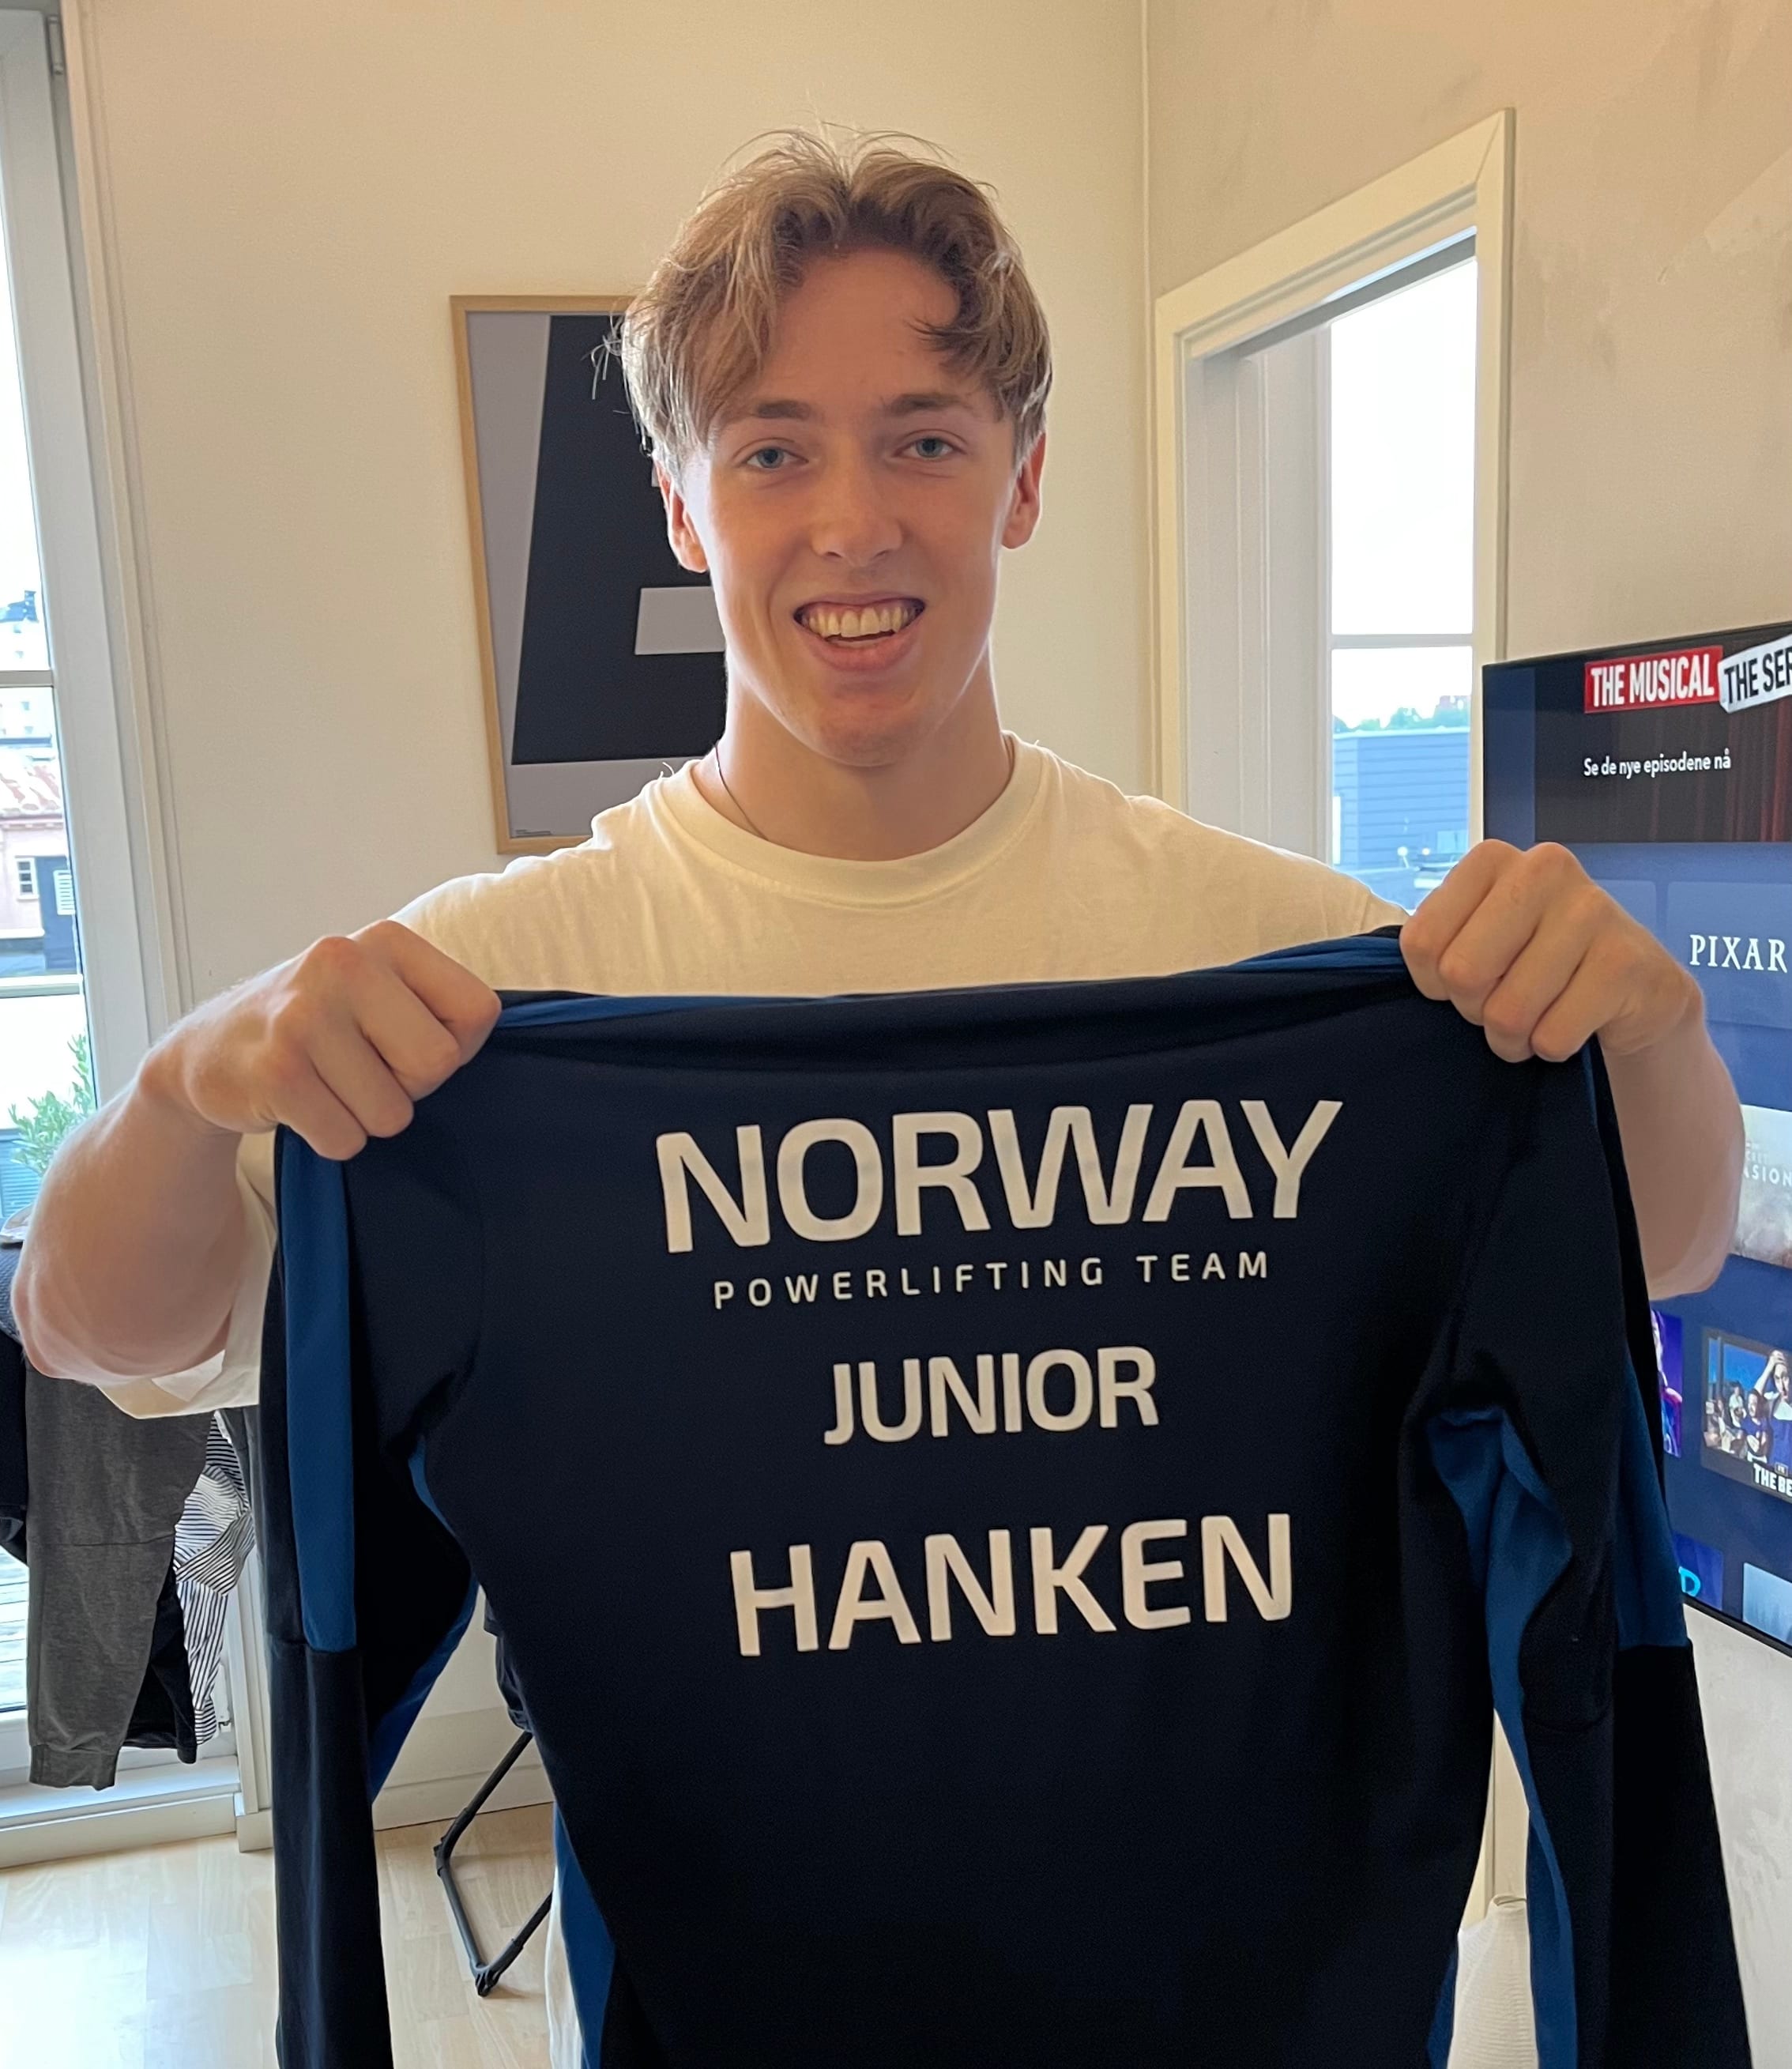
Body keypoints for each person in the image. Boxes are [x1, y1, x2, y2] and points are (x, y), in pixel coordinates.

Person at [9, 129, 1744, 2063]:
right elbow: (83, 1324)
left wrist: (1649, 1033)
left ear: (1024, 476)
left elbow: (1656, 1252)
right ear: (681, 503)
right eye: (772, 451)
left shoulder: (1288, 960)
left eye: (923, 438)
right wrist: (184, 1084)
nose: (853, 522)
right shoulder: (490, 1012)